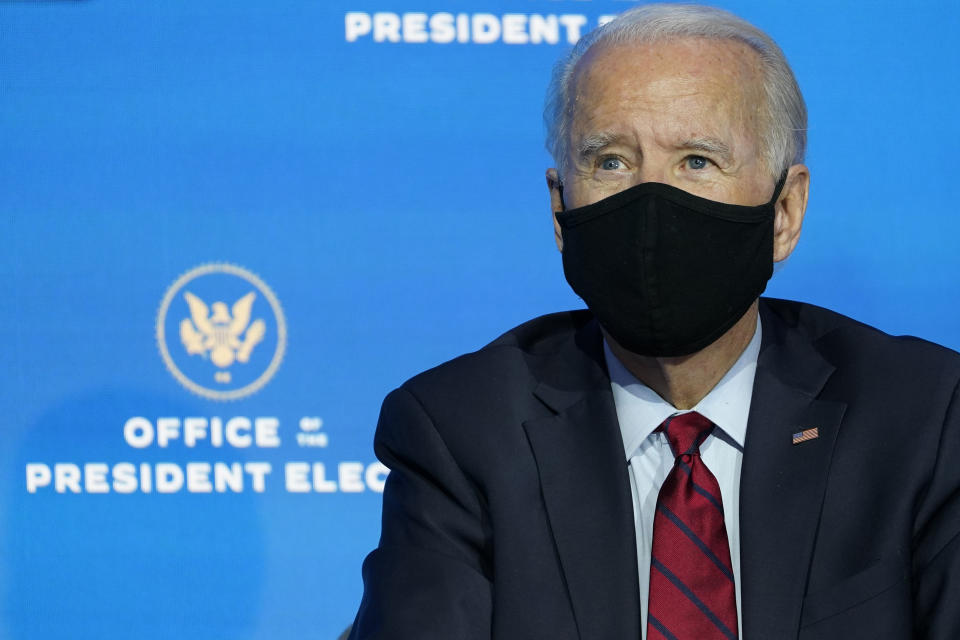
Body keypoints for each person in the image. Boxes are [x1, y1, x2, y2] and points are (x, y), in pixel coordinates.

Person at [348, 4, 960, 639]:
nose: (651, 201)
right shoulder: (462, 433)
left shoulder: (923, 419)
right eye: (610, 161)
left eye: (697, 160)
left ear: (784, 211)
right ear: (560, 212)